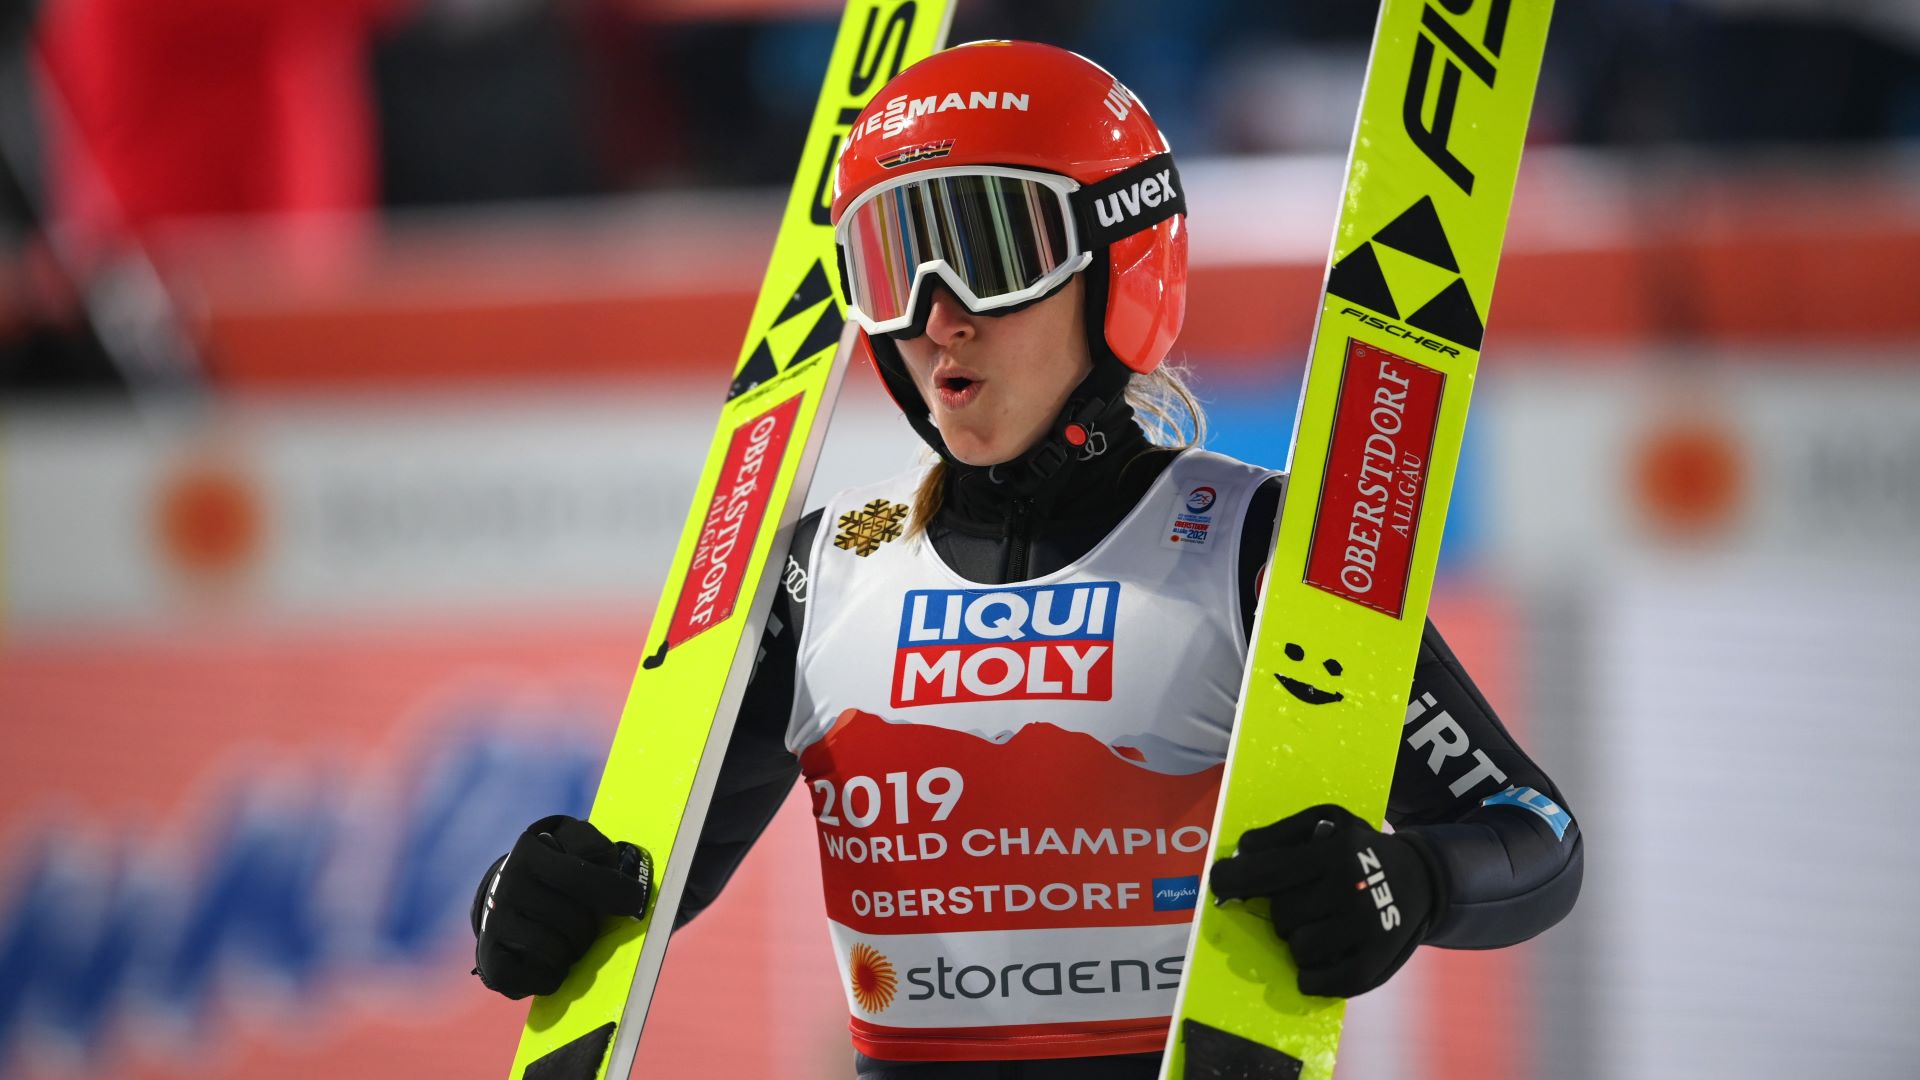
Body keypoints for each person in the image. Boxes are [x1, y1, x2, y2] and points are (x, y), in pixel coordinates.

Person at [470, 41, 1582, 1079]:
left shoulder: (1254, 548)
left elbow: (1537, 834)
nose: (936, 317)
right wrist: (515, 902)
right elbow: (627, 879)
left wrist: (1418, 882)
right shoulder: (825, 579)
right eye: (893, 262)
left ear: (1120, 263)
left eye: (994, 253)